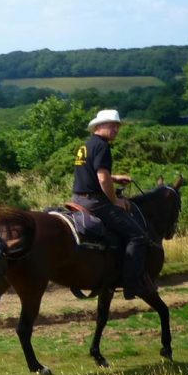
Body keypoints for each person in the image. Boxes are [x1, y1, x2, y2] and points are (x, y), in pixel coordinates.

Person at [72, 109, 154, 300]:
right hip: (95, 202)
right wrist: (115, 200)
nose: (116, 129)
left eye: (117, 126)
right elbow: (101, 179)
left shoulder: (86, 145)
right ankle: (131, 285)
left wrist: (114, 178)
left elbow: (92, 173)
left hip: (77, 199)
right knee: (138, 236)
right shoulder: (102, 146)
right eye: (112, 125)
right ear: (99, 126)